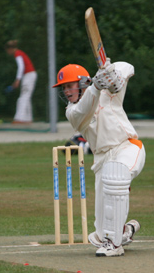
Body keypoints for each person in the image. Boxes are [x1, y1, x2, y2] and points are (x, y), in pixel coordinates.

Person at [52, 60, 145, 257]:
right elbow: (85, 107)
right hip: (102, 159)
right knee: (100, 234)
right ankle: (124, 232)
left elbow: (127, 66)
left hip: (127, 146)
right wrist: (96, 86)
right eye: (63, 88)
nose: (67, 91)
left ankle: (115, 245)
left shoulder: (107, 91)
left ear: (82, 82)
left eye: (69, 86)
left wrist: (115, 76)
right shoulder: (72, 112)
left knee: (116, 175)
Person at [5, 40, 37, 124]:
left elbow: (21, 66)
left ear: (10, 49)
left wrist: (17, 80)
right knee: (26, 97)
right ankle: (28, 119)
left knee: (23, 98)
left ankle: (19, 118)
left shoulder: (17, 54)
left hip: (28, 75)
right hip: (30, 75)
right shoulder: (20, 53)